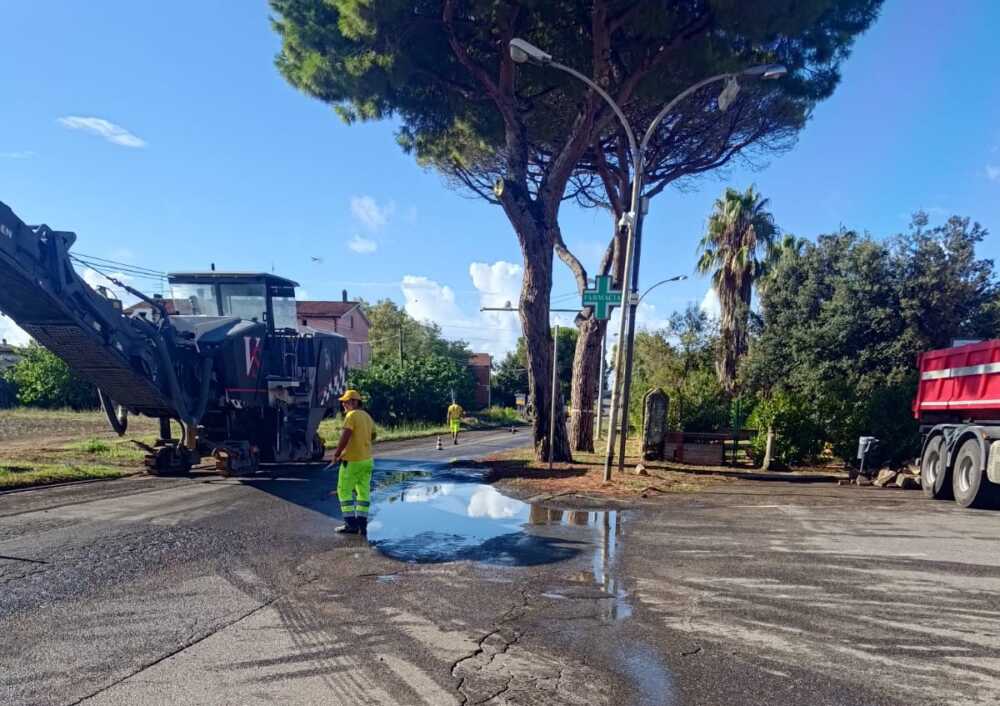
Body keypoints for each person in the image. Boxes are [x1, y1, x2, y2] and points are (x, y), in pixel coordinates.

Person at [331, 389, 376, 535]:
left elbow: (346, 435)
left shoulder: (351, 415)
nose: (344, 404)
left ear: (355, 402)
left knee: (343, 491)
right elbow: (374, 435)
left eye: (346, 401)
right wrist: (362, 442)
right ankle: (362, 524)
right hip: (367, 460)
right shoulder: (367, 416)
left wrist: (337, 453)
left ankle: (351, 524)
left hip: (352, 461)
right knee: (363, 492)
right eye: (343, 401)